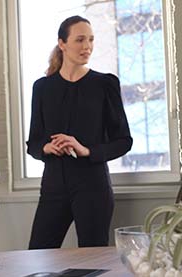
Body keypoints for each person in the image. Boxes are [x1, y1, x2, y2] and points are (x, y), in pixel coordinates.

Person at [26, 16, 132, 249]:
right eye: (80, 40)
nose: (87, 47)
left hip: (93, 186)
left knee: (92, 261)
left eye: (91, 40)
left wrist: (86, 150)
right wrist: (46, 147)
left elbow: (124, 141)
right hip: (53, 186)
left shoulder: (105, 84)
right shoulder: (42, 88)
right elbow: (33, 143)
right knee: (36, 256)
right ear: (62, 43)